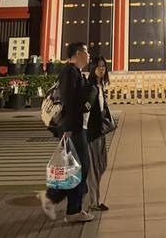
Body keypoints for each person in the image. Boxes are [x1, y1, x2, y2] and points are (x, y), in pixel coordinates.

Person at [40, 42, 95, 223]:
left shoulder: (74, 72)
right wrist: (68, 129)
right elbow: (69, 101)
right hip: (73, 129)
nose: (88, 55)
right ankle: (57, 201)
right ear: (78, 53)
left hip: (76, 128)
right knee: (80, 167)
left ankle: (65, 204)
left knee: (76, 168)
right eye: (86, 52)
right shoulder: (69, 72)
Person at [85, 55, 112, 211]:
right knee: (94, 168)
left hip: (100, 131)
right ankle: (93, 202)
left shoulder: (100, 85)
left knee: (102, 165)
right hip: (91, 132)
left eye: (104, 66)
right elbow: (85, 110)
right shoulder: (90, 86)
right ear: (93, 67)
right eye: (99, 66)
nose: (102, 69)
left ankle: (93, 199)